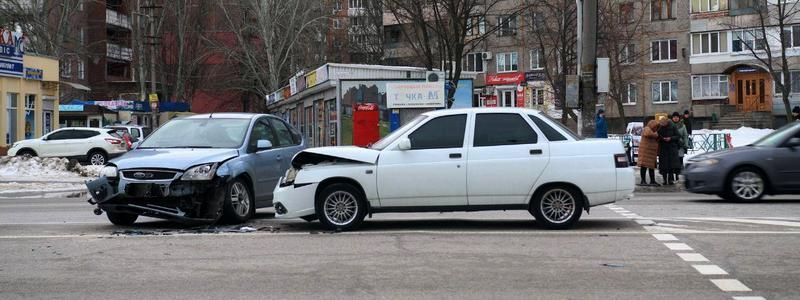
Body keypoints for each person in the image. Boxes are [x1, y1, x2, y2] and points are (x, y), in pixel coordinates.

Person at [657, 116, 681, 185]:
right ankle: (664, 180)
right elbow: (658, 136)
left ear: (667, 122)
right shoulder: (660, 127)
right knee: (664, 165)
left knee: (671, 165)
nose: (663, 125)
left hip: (671, 148)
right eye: (662, 124)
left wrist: (670, 138)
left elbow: (678, 136)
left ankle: (670, 180)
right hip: (663, 148)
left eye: (664, 124)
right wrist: (662, 138)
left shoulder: (673, 126)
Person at [638, 119, 660, 186]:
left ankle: (652, 181)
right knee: (644, 166)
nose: (656, 128)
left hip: (650, 153)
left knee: (651, 167)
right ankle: (643, 181)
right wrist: (656, 134)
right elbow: (648, 134)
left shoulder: (653, 131)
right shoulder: (647, 129)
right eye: (655, 126)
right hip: (645, 152)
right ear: (652, 125)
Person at [672, 112, 689, 182]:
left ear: (679, 118)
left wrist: (686, 144)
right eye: (674, 117)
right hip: (672, 145)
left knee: (680, 160)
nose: (676, 118)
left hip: (680, 145)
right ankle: (673, 175)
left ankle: (677, 175)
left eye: (677, 117)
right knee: (673, 161)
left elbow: (685, 135)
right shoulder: (670, 125)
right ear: (672, 118)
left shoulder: (683, 126)